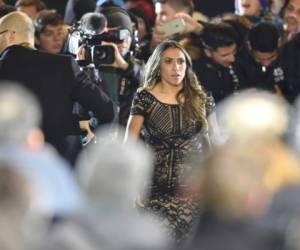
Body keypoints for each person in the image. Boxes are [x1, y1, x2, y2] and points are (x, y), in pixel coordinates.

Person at [125, 40, 213, 243]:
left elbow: (214, 144)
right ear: (158, 66)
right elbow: (128, 144)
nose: (176, 67)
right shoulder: (145, 98)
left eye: (181, 62)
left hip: (193, 190)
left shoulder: (201, 98)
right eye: (169, 62)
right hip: (155, 190)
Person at [0, 11, 114, 164]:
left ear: (10, 35)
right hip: (62, 167)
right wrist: (89, 136)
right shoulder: (64, 66)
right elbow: (106, 109)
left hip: (10, 172)